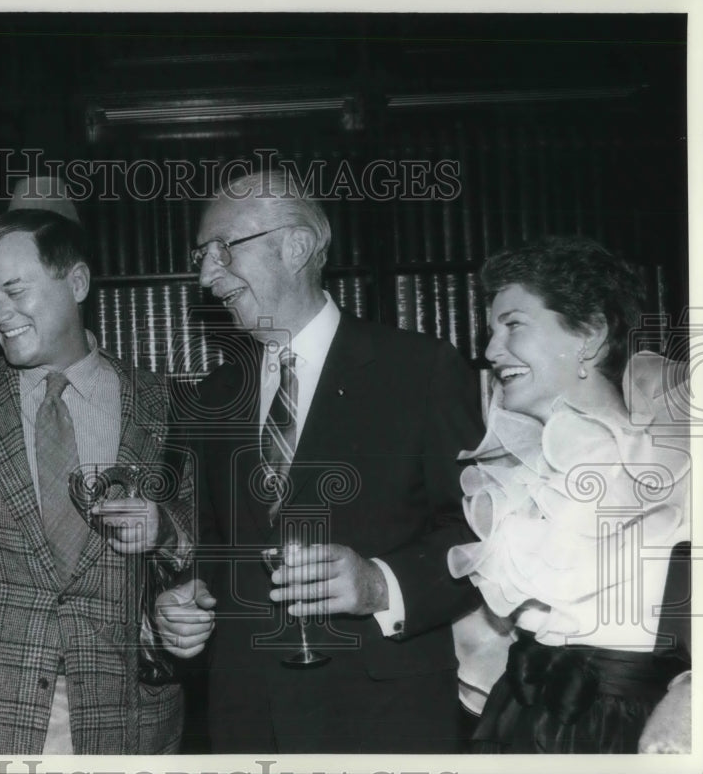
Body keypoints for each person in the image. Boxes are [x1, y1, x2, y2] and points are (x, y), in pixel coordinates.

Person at [154, 169, 484, 753]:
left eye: (223, 249)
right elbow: (206, 544)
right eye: (201, 257)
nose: (206, 277)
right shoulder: (210, 396)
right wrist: (185, 598)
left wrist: (380, 584)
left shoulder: (421, 370)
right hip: (245, 721)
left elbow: (479, 535)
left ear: (297, 246)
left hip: (385, 723)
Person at [0, 208, 190, 754]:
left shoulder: (165, 404)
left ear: (76, 283)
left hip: (131, 720)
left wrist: (168, 532)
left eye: (14, 291)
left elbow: (211, 534)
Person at [445, 236, 693, 753]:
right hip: (520, 724)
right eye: (491, 331)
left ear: (589, 335)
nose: (490, 351)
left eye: (513, 325)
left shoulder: (675, 468)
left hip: (630, 736)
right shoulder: (517, 479)